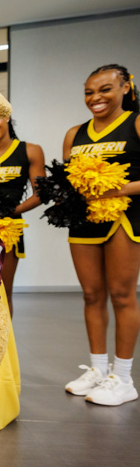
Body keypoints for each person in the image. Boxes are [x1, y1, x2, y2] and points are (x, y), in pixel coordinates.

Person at [63, 64, 140, 406]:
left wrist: (112, 190)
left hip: (125, 216)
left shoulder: (135, 123)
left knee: (122, 296)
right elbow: (65, 180)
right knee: (92, 295)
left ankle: (123, 379)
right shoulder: (74, 133)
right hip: (84, 220)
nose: (96, 98)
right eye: (89, 92)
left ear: (125, 87)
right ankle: (97, 369)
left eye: (105, 89)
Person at [0, 115, 46, 316]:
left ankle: (5, 347)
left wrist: (12, 211)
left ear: (7, 116)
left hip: (8, 230)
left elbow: (41, 194)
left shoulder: (30, 150)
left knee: (2, 290)